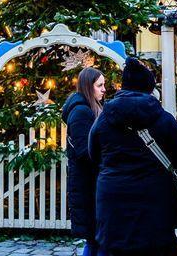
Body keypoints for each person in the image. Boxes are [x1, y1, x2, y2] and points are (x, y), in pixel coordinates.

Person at [91, 58, 177, 256]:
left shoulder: (105, 117)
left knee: (114, 247)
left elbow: (93, 151)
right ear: (149, 88)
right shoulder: (161, 116)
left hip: (113, 196)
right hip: (154, 197)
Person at [64, 67, 107, 256]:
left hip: (91, 183)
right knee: (95, 238)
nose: (104, 89)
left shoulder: (91, 109)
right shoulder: (81, 112)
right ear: (89, 88)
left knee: (96, 239)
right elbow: (85, 151)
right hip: (87, 184)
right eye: (100, 85)